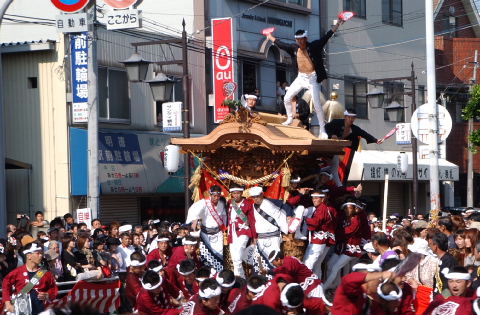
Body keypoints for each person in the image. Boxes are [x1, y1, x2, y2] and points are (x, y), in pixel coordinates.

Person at [265, 21, 345, 137]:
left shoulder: (314, 46)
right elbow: (281, 44)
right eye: (298, 40)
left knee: (317, 104)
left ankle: (323, 129)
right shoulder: (294, 48)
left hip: (312, 78)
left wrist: (337, 25)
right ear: (296, 40)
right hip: (301, 77)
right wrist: (270, 37)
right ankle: (289, 118)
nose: (301, 42)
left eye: (302, 40)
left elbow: (326, 37)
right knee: (287, 97)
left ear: (306, 38)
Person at [2, 242, 58, 315]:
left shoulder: (46, 273)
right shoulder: (17, 272)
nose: (41, 256)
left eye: (41, 253)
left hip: (41, 310)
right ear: (29, 256)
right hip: (22, 310)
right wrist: (7, 302)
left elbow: (53, 288)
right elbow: (6, 285)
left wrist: (47, 295)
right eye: (38, 253)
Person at [186, 185, 227, 272]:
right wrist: (193, 228)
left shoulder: (222, 203)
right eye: (214, 196)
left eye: (218, 196)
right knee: (206, 256)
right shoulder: (203, 203)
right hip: (205, 234)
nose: (216, 198)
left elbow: (224, 216)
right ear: (210, 195)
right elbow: (193, 214)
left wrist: (225, 228)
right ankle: (208, 274)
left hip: (218, 233)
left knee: (219, 255)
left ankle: (218, 274)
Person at [249, 186, 288, 273]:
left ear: (262, 194)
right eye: (253, 197)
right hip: (260, 238)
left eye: (257, 196)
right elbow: (252, 222)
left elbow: (280, 216)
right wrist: (254, 237)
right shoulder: (253, 206)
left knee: (276, 260)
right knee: (259, 260)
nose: (255, 199)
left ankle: (276, 279)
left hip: (273, 237)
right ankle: (260, 279)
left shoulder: (271, 204)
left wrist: (284, 231)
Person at [303, 189, 337, 278]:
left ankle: (306, 287)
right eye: (313, 198)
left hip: (319, 240)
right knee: (317, 266)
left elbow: (316, 222)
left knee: (308, 264)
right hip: (323, 240)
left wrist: (305, 219)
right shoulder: (323, 208)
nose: (314, 200)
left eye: (316, 198)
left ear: (322, 199)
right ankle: (318, 286)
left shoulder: (322, 209)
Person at [227, 185, 256, 278]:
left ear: (242, 193)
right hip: (232, 232)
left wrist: (254, 236)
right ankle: (240, 279)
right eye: (234, 193)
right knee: (234, 259)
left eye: (238, 193)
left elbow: (252, 220)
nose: (236, 195)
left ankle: (240, 280)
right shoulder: (229, 203)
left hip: (244, 231)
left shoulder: (248, 204)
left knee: (238, 258)